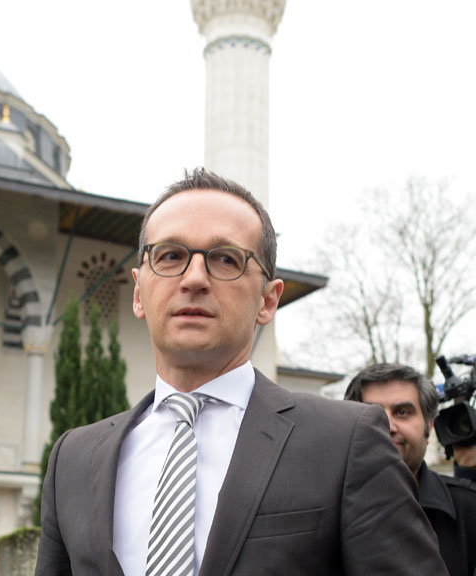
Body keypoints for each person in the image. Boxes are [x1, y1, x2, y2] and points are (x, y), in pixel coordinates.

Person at [34, 168, 446, 575]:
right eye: (171, 256)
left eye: (226, 259)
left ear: (268, 301)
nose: (194, 278)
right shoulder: (73, 459)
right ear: (139, 292)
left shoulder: (344, 442)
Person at [344, 363, 476, 576]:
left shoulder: (469, 510)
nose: (388, 426)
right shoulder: (319, 512)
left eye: (402, 412)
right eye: (371, 412)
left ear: (429, 425)